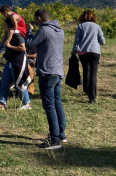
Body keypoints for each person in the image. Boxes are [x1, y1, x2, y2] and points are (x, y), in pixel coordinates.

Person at [26, 9, 66, 150]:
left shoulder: (43, 30)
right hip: (58, 72)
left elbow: (29, 44)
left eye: (36, 21)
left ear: (39, 18)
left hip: (47, 72)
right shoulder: (59, 30)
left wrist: (29, 30)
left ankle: (54, 140)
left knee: (49, 106)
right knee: (57, 103)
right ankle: (61, 134)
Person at [0, 18, 31, 111]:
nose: (3, 26)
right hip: (10, 60)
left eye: (4, 25)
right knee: (4, 80)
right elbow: (3, 44)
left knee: (19, 81)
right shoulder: (10, 34)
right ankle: (1, 103)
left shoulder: (17, 35)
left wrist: (10, 46)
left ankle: (26, 103)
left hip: (18, 61)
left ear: (9, 25)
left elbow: (23, 48)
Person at [72, 10, 106, 104]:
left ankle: (86, 89)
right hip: (94, 51)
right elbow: (102, 41)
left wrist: (74, 50)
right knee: (93, 73)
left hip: (82, 51)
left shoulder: (81, 26)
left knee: (86, 70)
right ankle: (92, 97)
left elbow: (77, 39)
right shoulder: (97, 26)